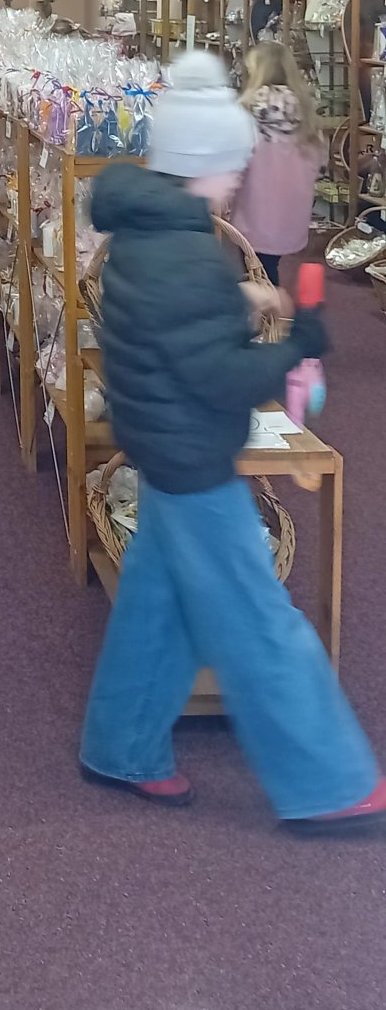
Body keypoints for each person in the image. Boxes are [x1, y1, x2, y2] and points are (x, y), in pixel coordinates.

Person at [80, 50, 385, 831]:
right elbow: (222, 379)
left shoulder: (149, 232)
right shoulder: (188, 255)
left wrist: (234, 302)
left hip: (160, 443)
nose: (241, 177)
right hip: (192, 454)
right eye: (235, 164)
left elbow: (176, 330)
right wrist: (297, 343)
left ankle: (121, 746)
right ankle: (331, 784)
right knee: (258, 619)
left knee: (157, 607)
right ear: (207, 164)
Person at [231, 40, 324, 286]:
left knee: (255, 267)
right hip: (292, 208)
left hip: (254, 206)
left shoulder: (248, 109)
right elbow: (319, 160)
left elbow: (235, 158)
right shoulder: (305, 111)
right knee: (267, 265)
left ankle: (270, 307)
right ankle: (270, 300)